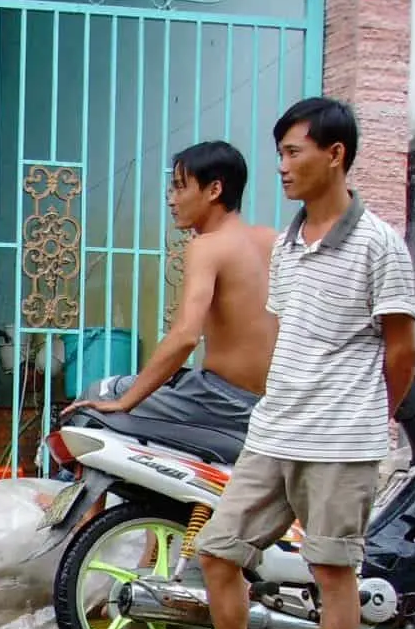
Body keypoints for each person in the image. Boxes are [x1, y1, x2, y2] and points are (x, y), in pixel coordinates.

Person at [183, 97, 415, 629]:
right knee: (217, 550)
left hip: (342, 440)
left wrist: (376, 415)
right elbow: (292, 337)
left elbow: (403, 349)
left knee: (332, 571)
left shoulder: (379, 245)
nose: (282, 168)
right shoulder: (287, 243)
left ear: (334, 155)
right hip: (276, 428)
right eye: (280, 155)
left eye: (294, 153)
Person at [65, 140, 276, 438]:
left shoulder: (206, 247)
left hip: (219, 399)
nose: (171, 199)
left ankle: (71, 483)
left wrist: (126, 401)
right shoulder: (271, 240)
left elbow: (185, 336)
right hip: (269, 401)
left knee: (96, 401)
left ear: (214, 190)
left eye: (180, 187)